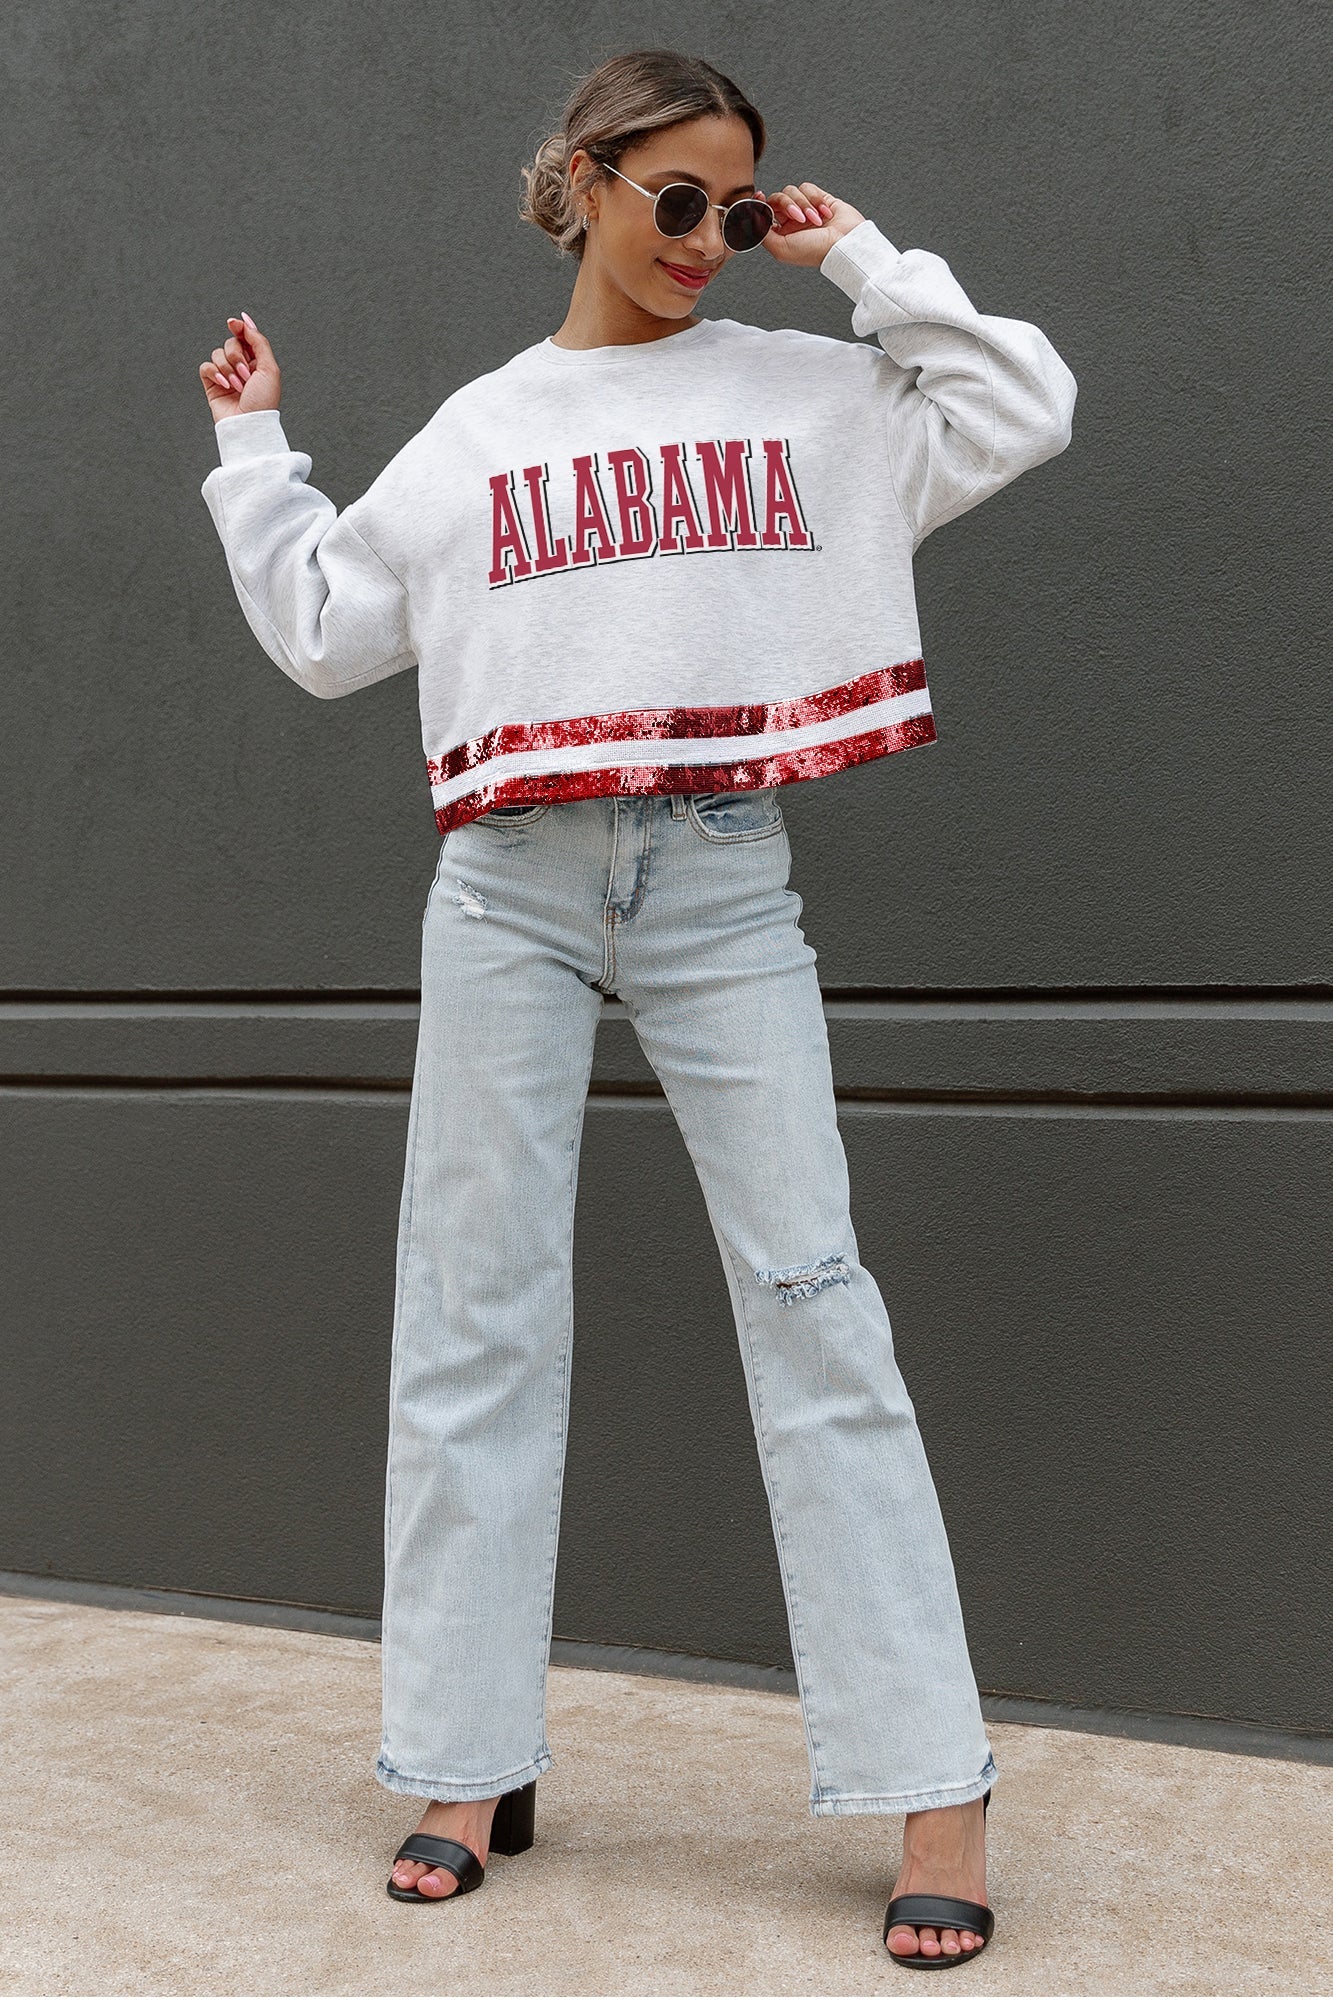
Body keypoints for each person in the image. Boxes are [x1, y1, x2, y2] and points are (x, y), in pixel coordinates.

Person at [198, 47, 1075, 1967]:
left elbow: (1019, 400)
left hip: (715, 873)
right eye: (674, 198)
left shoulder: (815, 396)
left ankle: (935, 1777)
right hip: (506, 884)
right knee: (472, 1306)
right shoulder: (484, 429)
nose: (707, 240)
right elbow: (338, 633)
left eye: (737, 204)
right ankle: (464, 1757)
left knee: (813, 1296)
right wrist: (259, 459)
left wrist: (857, 265)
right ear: (582, 185)